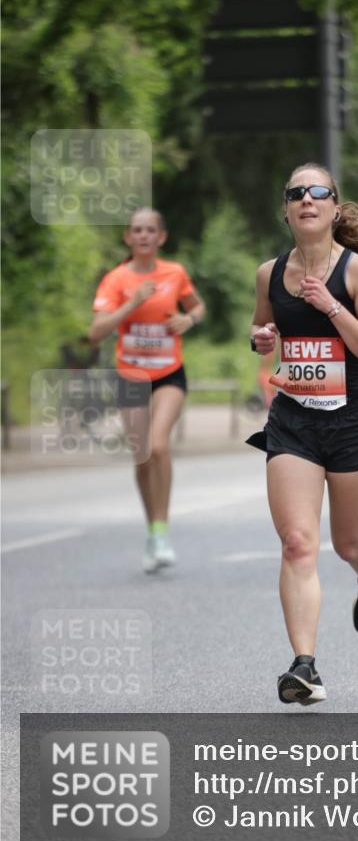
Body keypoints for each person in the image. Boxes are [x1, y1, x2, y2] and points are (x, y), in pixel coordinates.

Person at [246, 162, 358, 706]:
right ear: (286, 209)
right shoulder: (269, 272)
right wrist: (263, 339)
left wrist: (331, 306)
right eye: (295, 194)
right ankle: (304, 666)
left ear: (334, 208)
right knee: (297, 543)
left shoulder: (357, 273)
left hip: (352, 419)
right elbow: (265, 329)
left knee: (347, 542)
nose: (306, 200)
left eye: (318, 192)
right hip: (293, 421)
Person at [89, 207, 205, 570]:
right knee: (141, 457)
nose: (142, 236)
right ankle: (152, 531)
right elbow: (96, 331)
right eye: (136, 230)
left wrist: (188, 318)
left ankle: (162, 528)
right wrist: (133, 303)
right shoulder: (116, 280)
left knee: (158, 445)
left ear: (161, 237)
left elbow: (197, 306)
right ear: (128, 237)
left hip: (169, 373)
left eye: (149, 230)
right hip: (131, 376)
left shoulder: (175, 273)